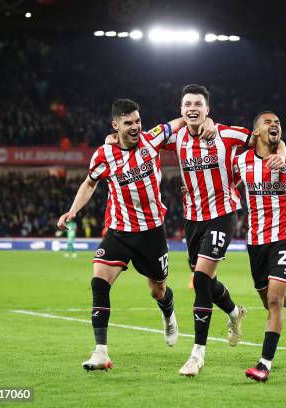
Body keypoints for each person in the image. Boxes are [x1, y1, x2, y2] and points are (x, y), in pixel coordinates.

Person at [58, 99, 214, 371]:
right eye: (128, 123)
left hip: (152, 232)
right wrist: (72, 211)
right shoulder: (104, 155)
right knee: (99, 282)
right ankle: (100, 352)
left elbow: (181, 122)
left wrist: (207, 122)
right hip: (119, 230)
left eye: (137, 121)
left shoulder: (151, 139)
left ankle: (168, 312)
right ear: (115, 125)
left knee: (158, 290)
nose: (135, 127)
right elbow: (90, 183)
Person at [160, 85, 286, 377]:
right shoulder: (176, 138)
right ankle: (234, 312)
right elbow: (145, 139)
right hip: (193, 219)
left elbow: (266, 136)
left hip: (222, 215)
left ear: (208, 109)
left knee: (201, 278)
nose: (193, 108)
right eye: (187, 104)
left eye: (198, 104)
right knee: (206, 281)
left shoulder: (226, 134)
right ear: (181, 110)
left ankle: (197, 354)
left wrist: (281, 152)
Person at [233, 111, 286, 382]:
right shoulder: (241, 161)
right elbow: (227, 184)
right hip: (256, 239)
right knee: (269, 300)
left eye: (278, 122)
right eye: (268, 122)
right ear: (255, 131)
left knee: (274, 301)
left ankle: (264, 364)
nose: (275, 125)